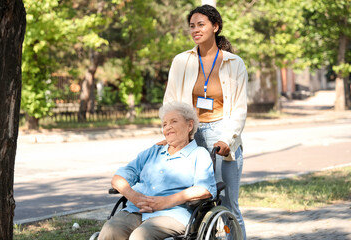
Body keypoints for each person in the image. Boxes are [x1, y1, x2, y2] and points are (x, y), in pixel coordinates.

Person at [163, 4, 248, 239]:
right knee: (195, 201)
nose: (195, 30)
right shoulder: (181, 61)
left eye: (201, 24)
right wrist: (171, 133)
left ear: (215, 26)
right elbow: (170, 102)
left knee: (229, 203)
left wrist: (227, 140)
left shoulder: (234, 63)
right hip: (192, 132)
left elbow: (239, 109)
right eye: (192, 26)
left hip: (223, 130)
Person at [98, 102, 217, 240]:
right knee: (110, 230)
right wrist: (134, 197)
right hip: (136, 209)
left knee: (140, 237)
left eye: (174, 121)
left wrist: (165, 201)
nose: (168, 127)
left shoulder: (199, 154)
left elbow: (204, 189)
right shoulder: (153, 152)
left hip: (172, 214)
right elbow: (117, 179)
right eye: (164, 124)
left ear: (189, 125)